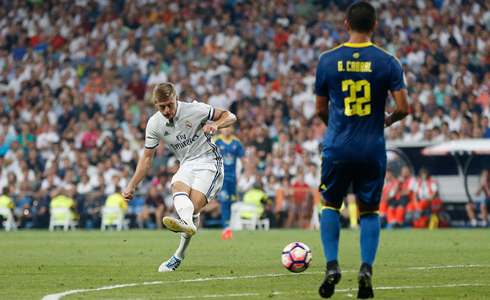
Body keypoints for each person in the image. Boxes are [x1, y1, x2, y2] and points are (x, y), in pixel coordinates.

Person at [315, 2, 409, 298]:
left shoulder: (327, 60)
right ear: (375, 26)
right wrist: (387, 119)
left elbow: (320, 109)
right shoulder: (388, 61)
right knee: (369, 212)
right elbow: (404, 107)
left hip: (337, 148)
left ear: (345, 24)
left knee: (330, 205)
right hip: (371, 149)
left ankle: (332, 266)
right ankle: (366, 269)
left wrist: (338, 129)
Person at [122, 83, 236, 272]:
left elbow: (230, 116)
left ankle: (179, 254)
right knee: (176, 184)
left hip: (210, 162)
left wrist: (215, 125)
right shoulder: (154, 123)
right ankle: (187, 225)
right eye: (162, 106)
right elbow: (147, 159)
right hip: (187, 164)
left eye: (170, 104)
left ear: (176, 98)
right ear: (156, 104)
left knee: (193, 207)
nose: (167, 110)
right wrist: (132, 185)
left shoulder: (195, 109)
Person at [214, 126, 246, 239]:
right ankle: (226, 227)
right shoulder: (216, 141)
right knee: (224, 200)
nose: (227, 129)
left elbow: (242, 158)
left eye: (229, 127)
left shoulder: (237, 142)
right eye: (224, 127)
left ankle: (230, 226)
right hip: (221, 177)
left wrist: (245, 172)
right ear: (220, 129)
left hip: (233, 177)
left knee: (232, 201)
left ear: (232, 128)